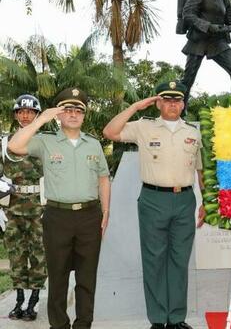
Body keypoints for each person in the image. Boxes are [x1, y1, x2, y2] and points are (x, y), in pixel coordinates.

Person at [103, 81, 205, 329]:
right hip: (153, 199)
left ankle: (177, 319)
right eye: (167, 100)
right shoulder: (144, 127)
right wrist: (136, 106)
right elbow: (110, 132)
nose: (172, 105)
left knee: (180, 260)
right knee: (154, 260)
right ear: (158, 103)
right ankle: (159, 320)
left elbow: (200, 170)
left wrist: (205, 202)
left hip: (184, 200)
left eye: (177, 100)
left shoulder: (193, 132)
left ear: (182, 104)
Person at [8, 87, 110, 329]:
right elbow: (15, 146)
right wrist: (41, 119)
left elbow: (103, 178)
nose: (73, 114)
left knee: (87, 278)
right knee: (58, 277)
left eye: (78, 110)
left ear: (84, 116)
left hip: (89, 216)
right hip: (57, 216)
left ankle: (84, 324)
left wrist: (106, 211)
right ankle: (59, 325)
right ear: (59, 114)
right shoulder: (45, 141)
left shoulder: (94, 145)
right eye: (67, 110)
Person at [1, 94, 47, 321]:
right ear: (16, 115)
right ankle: (19, 299)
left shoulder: (45, 141)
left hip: (39, 207)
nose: (25, 115)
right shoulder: (4, 142)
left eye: (30, 112)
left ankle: (34, 301)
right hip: (12, 207)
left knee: (39, 254)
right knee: (16, 255)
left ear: (37, 115)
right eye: (21, 112)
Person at [181, 0, 231, 109]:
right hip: (198, 40)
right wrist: (208, 26)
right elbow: (188, 14)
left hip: (218, 41)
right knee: (188, 79)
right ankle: (181, 113)